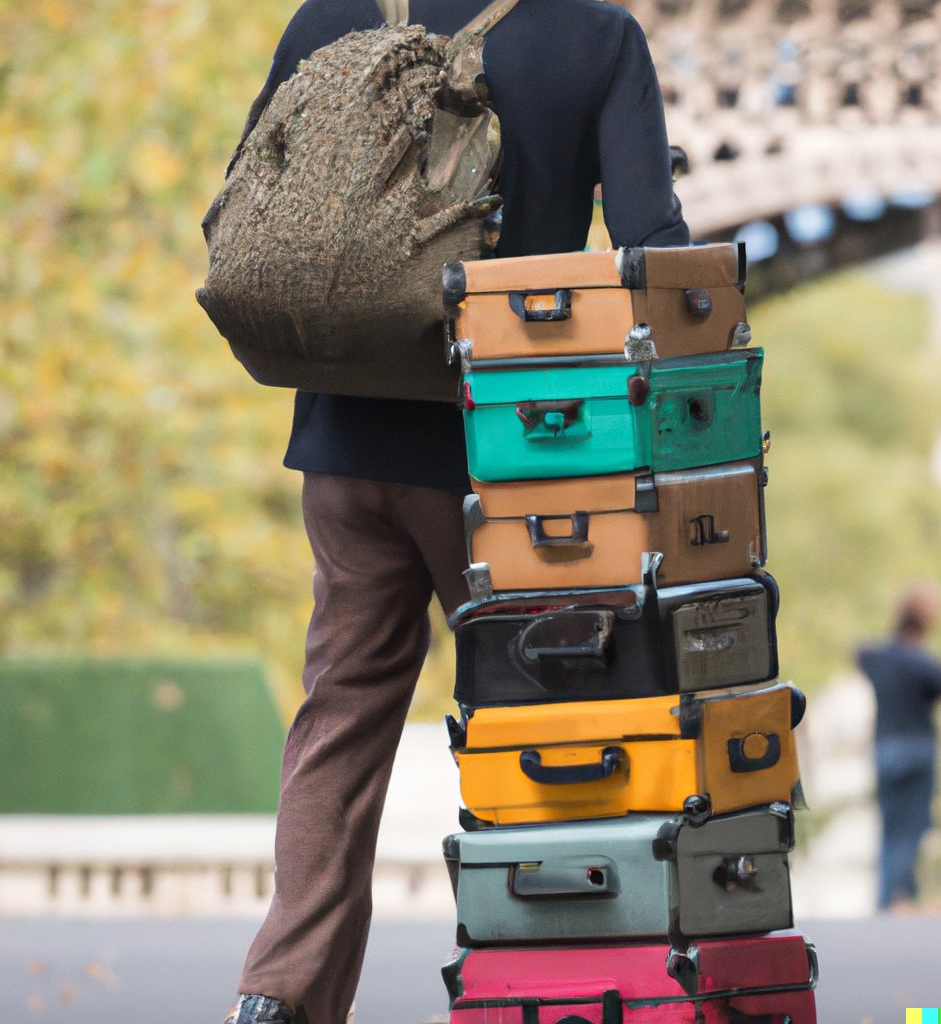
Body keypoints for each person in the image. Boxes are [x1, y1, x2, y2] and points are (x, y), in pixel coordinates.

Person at [219, 2, 689, 1022]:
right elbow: (649, 242)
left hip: (343, 449)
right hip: (513, 460)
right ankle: (557, 987)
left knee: (336, 727)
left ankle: (278, 995)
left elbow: (246, 197)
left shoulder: (330, 18)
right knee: (554, 729)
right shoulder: (593, 35)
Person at [856, 581, 941, 912]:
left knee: (891, 828)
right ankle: (890, 901)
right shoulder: (923, 663)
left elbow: (861, 653)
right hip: (917, 751)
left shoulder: (878, 656)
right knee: (910, 829)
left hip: (885, 751)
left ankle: (899, 897)